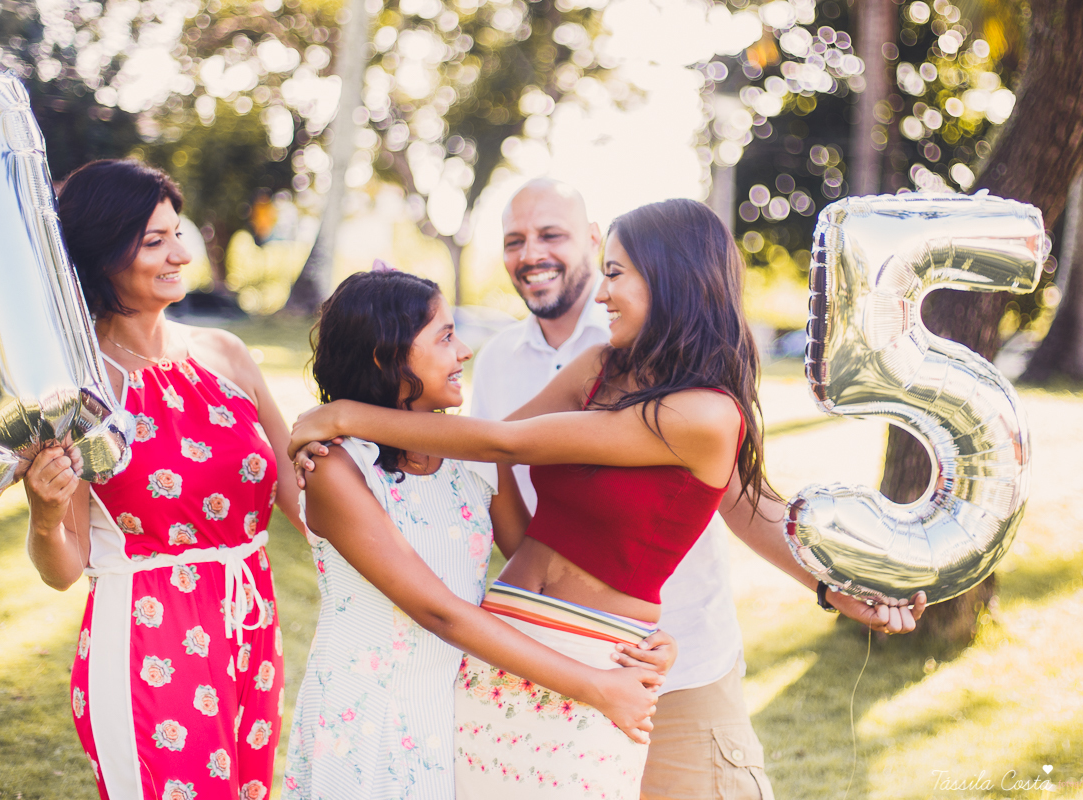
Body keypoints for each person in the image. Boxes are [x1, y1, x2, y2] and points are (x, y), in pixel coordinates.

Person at [290, 197, 788, 799]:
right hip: (498, 647)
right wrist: (347, 437)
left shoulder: (707, 415)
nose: (601, 293)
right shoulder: (600, 366)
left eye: (615, 273)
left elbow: (505, 441)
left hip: (592, 657)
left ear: (672, 279)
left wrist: (343, 413)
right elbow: (486, 456)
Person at [475, 179, 928, 800]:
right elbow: (490, 466)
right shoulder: (496, 359)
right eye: (514, 240)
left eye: (550, 234)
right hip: (542, 651)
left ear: (591, 239)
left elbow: (743, 501)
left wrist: (830, 584)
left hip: (676, 666)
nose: (532, 254)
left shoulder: (667, 347)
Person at [281, 268, 672, 800]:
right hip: (367, 724)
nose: (464, 350)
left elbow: (545, 577)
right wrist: (597, 687)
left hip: (460, 715)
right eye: (445, 337)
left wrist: (639, 639)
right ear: (385, 356)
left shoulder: (475, 460)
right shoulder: (337, 469)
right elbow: (437, 611)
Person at [21, 159, 303, 800]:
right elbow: (64, 569)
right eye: (154, 241)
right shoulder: (75, 391)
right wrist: (44, 515)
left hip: (250, 627)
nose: (180, 254)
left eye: (177, 233)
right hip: (148, 641)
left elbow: (301, 494)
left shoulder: (227, 354)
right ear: (102, 255)